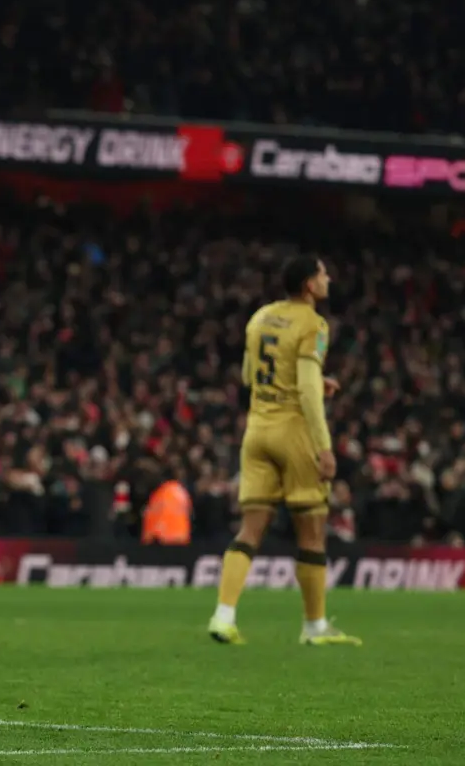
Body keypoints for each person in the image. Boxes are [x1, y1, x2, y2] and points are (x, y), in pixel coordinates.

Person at [207, 255, 361, 646]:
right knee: (311, 532)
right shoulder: (314, 324)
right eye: (323, 273)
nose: (328, 278)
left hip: (257, 431)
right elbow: (307, 392)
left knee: (250, 529)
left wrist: (304, 378)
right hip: (294, 433)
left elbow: (247, 374)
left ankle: (223, 616)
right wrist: (324, 447)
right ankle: (314, 627)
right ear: (310, 284)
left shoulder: (260, 317)